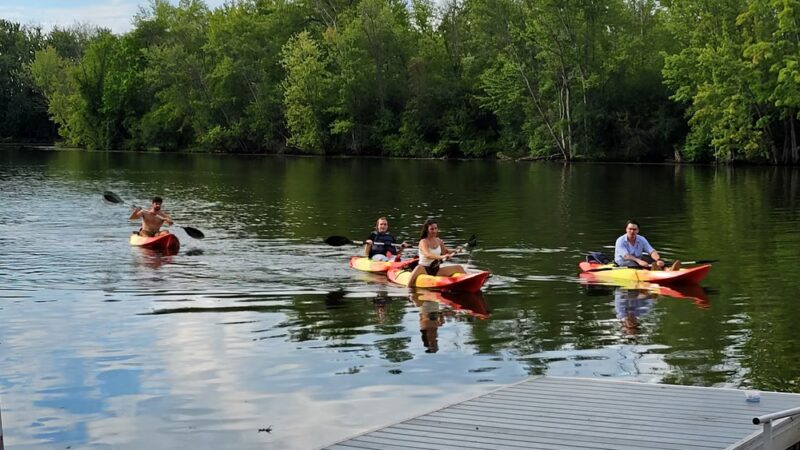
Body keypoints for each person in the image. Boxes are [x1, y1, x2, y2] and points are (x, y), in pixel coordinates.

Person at [406, 219, 467, 285]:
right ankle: (409, 287)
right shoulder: (423, 242)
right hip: (424, 269)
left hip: (436, 270)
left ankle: (468, 281)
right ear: (427, 229)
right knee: (418, 268)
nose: (434, 231)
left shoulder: (439, 241)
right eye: (432, 229)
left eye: (435, 228)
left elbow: (445, 251)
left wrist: (456, 250)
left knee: (459, 267)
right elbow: (428, 255)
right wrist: (442, 257)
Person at [614, 220, 680, 271]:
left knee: (654, 261)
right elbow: (626, 256)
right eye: (630, 229)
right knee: (633, 264)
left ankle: (667, 269)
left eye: (634, 229)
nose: (632, 231)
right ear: (626, 230)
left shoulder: (642, 239)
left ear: (638, 231)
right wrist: (639, 261)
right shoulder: (620, 240)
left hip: (638, 258)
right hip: (623, 261)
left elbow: (651, 251)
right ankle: (650, 272)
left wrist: (658, 260)